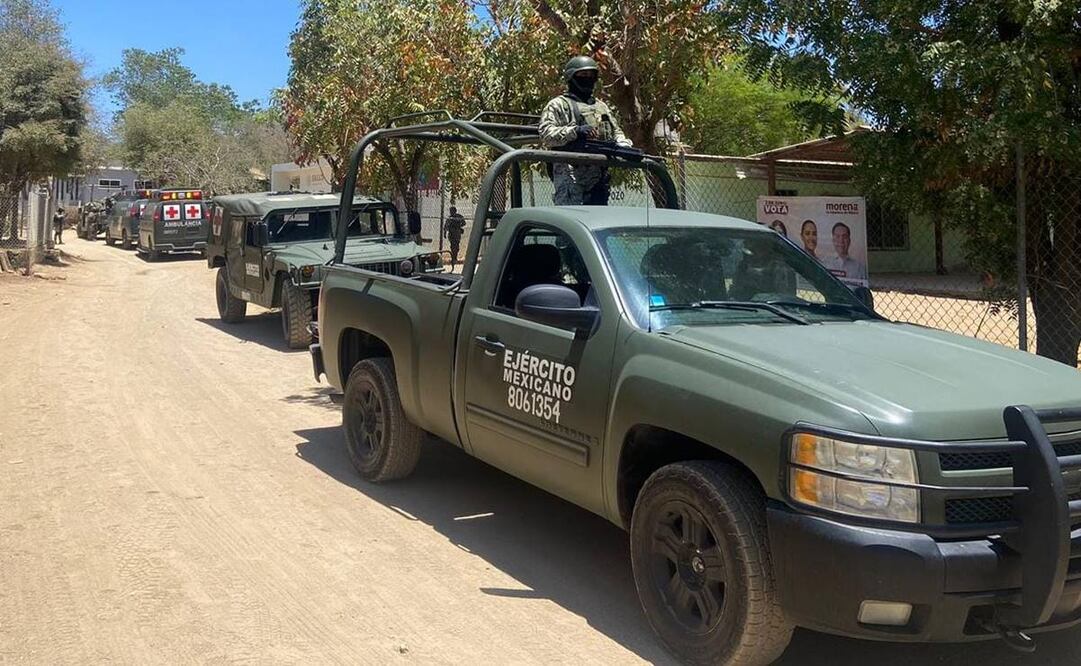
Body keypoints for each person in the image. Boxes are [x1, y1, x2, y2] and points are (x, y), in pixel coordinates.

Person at [539, 55, 633, 206]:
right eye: (582, 75)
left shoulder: (601, 106)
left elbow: (616, 133)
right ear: (571, 77)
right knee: (570, 222)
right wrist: (576, 131)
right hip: (570, 177)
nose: (587, 79)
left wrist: (625, 148)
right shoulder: (558, 105)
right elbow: (546, 134)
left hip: (597, 177)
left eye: (591, 75)